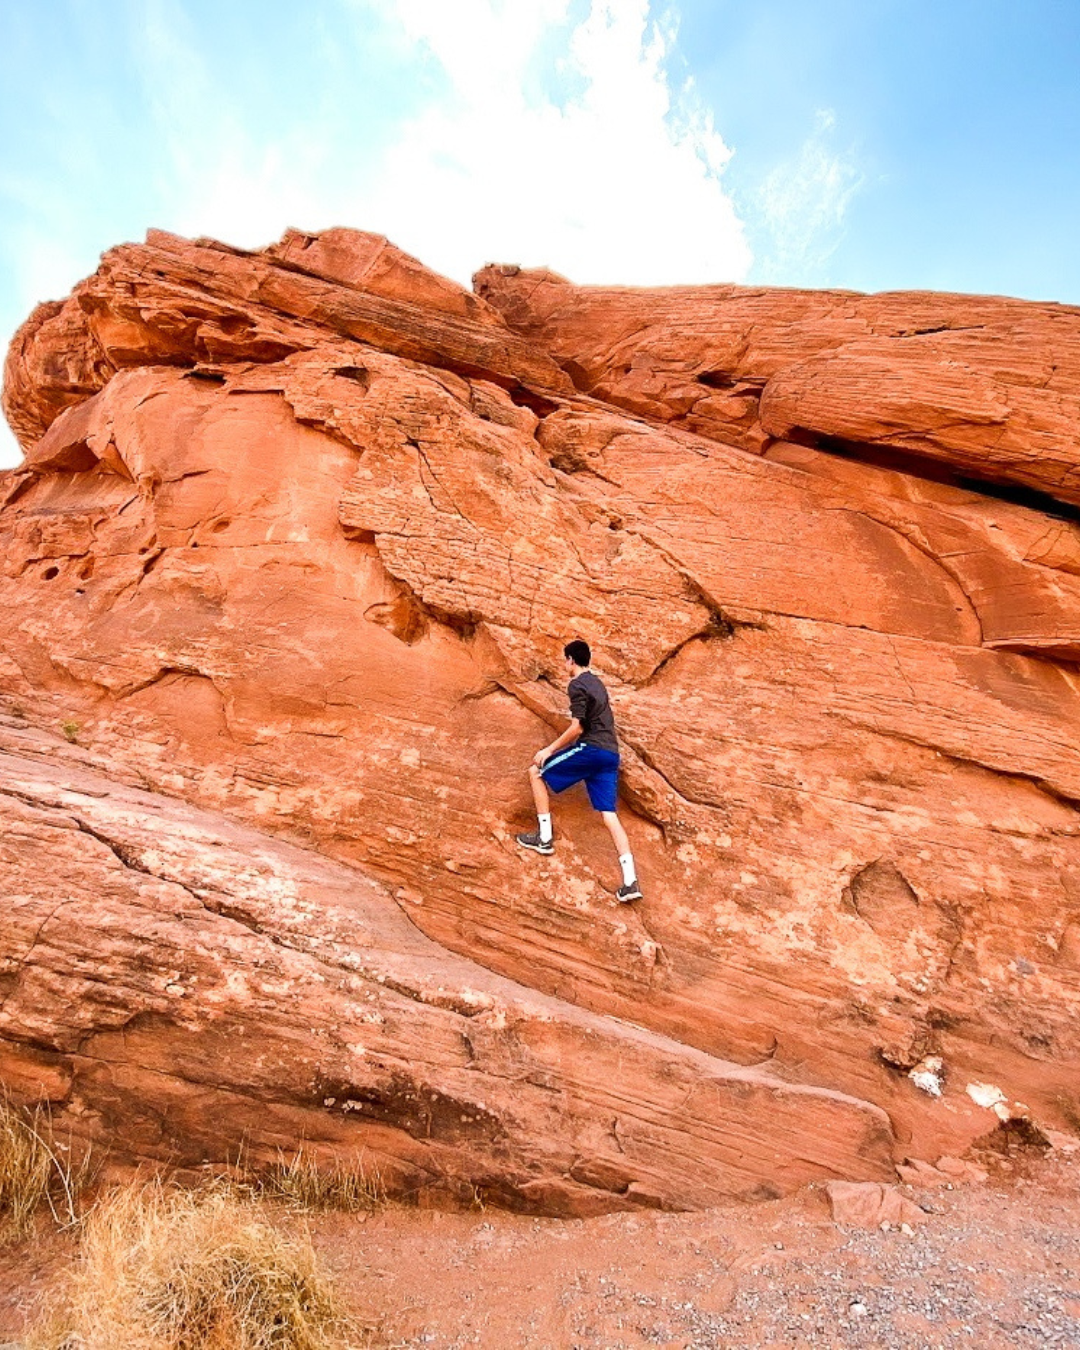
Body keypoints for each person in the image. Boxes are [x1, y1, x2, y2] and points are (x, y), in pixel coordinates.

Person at [516, 639, 643, 902]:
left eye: (565, 660)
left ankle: (544, 837)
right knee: (609, 815)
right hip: (610, 754)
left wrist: (548, 750)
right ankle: (630, 882)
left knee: (536, 771)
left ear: (571, 659)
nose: (565, 665)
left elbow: (577, 728)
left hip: (591, 750)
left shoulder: (577, 685)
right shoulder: (597, 682)